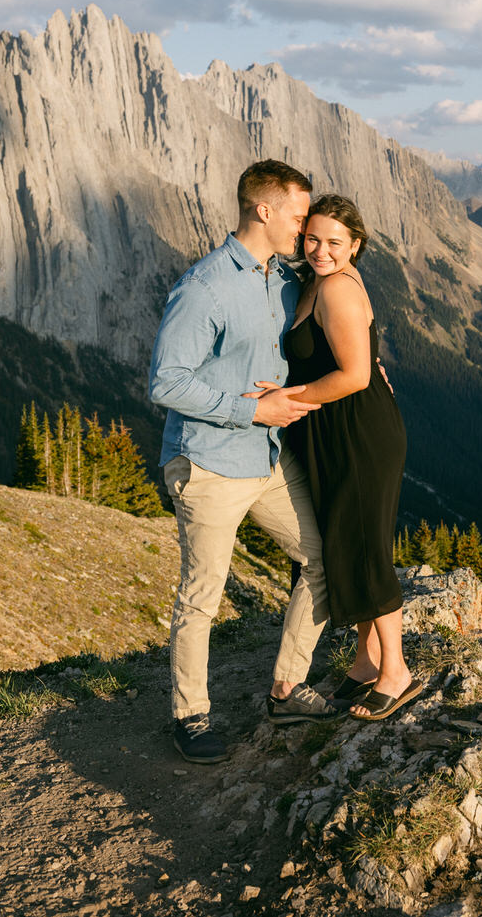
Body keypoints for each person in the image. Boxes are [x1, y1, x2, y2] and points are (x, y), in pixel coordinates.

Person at [148, 159, 340, 766]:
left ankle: (286, 687)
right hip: (207, 462)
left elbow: (306, 344)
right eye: (297, 214)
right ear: (264, 210)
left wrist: (365, 366)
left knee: (320, 559)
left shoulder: (282, 278)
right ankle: (190, 715)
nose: (305, 227)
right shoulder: (204, 287)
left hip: (267, 460)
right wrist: (247, 410)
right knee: (202, 595)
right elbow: (165, 381)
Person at [273, 194, 417, 721]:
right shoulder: (312, 282)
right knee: (344, 543)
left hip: (358, 434)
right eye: (312, 238)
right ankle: (365, 661)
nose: (320, 250)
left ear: (355, 246)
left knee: (364, 548)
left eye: (335, 242)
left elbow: (355, 375)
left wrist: (287, 400)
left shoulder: (336, 288)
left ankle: (396, 671)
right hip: (335, 432)